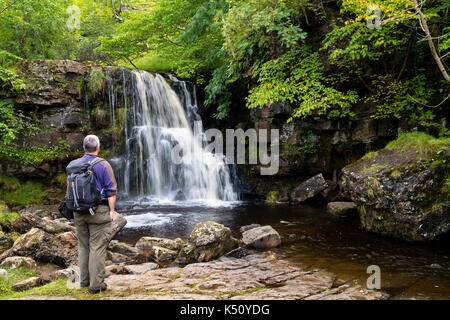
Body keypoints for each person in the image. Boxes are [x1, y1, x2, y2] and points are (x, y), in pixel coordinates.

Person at [73, 135, 117, 294]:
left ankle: (84, 281)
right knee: (97, 247)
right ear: (98, 148)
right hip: (98, 212)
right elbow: (111, 191)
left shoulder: (74, 165)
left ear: (84, 148)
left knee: (83, 246)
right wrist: (111, 211)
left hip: (78, 212)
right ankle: (96, 285)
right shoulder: (103, 164)